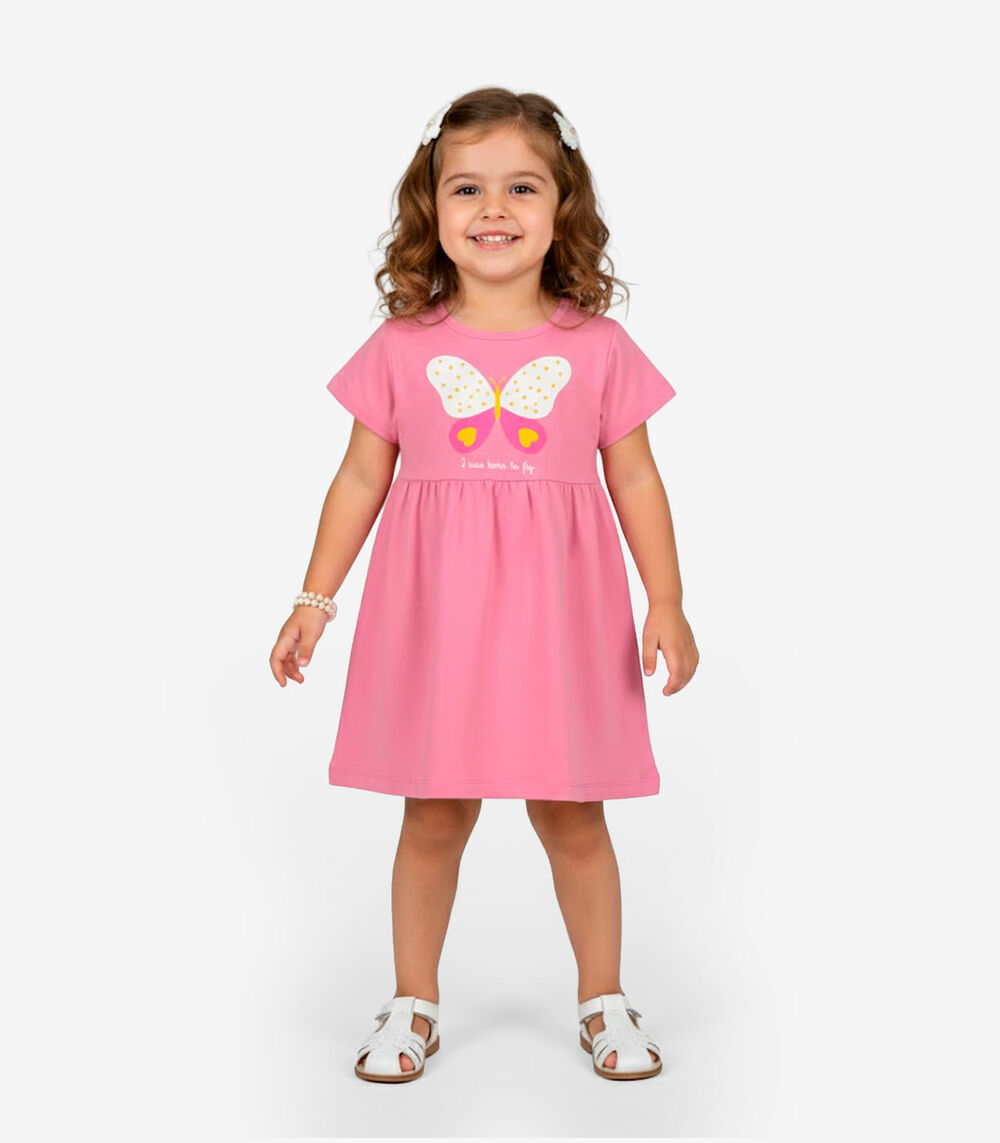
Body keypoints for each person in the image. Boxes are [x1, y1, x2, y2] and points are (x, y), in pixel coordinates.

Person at [269, 87, 699, 1084]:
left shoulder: (597, 347)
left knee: (572, 812)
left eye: (521, 187)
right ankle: (412, 1000)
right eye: (466, 188)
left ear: (562, 206)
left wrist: (666, 600)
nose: (493, 208)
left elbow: (636, 477)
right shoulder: (402, 347)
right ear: (432, 208)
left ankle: (603, 997)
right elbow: (360, 477)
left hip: (562, 618)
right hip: (437, 618)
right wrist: (313, 599)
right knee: (433, 812)